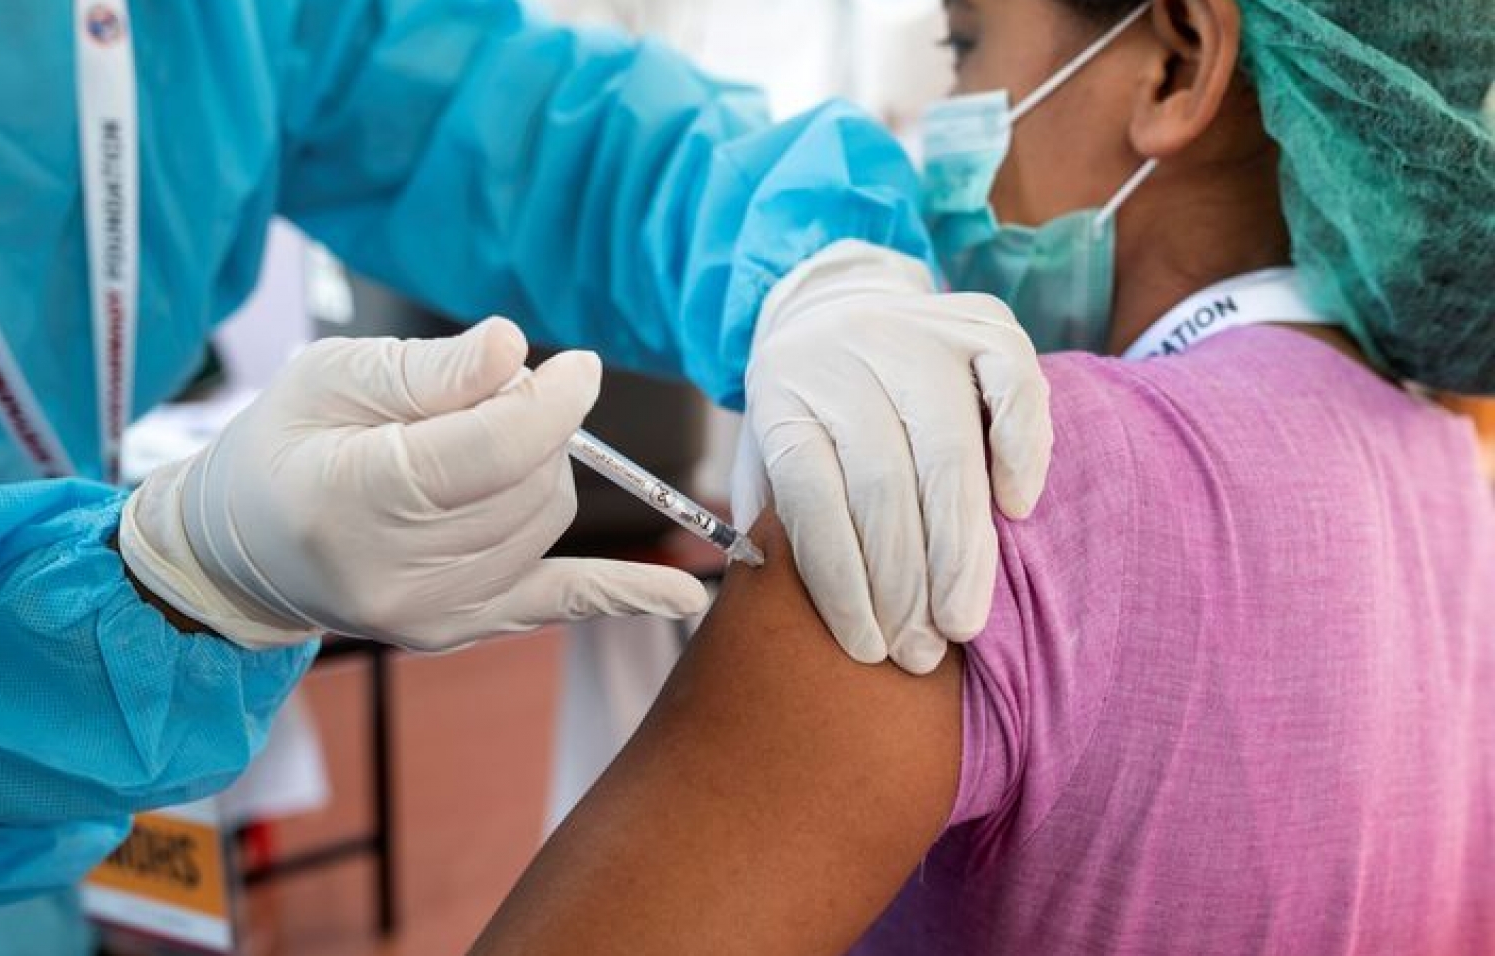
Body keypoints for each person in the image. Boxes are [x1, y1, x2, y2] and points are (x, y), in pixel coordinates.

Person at [0, 0, 1061, 943]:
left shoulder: (216, 25)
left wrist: (812, 263)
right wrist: (163, 577)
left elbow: (536, 129)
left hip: (12, 854)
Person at [470, 0, 1495, 952]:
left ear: (1176, 65)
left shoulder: (974, 476)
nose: (933, 134)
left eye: (962, 45)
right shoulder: (1454, 478)